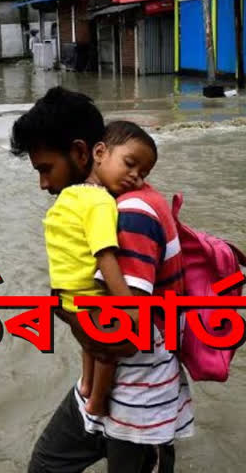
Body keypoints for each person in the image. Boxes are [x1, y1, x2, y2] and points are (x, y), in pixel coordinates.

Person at [11, 88, 194, 473]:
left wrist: (64, 309)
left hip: (137, 395)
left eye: (46, 169)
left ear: (82, 153)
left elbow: (123, 335)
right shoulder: (106, 204)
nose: (44, 184)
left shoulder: (130, 215)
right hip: (112, 387)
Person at [42, 118, 158, 416]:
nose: (135, 176)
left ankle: (85, 385)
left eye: (143, 173)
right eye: (130, 163)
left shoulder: (69, 194)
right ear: (99, 153)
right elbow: (105, 257)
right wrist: (132, 309)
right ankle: (97, 401)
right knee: (110, 347)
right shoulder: (101, 203)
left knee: (89, 342)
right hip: (90, 296)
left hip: (65, 297)